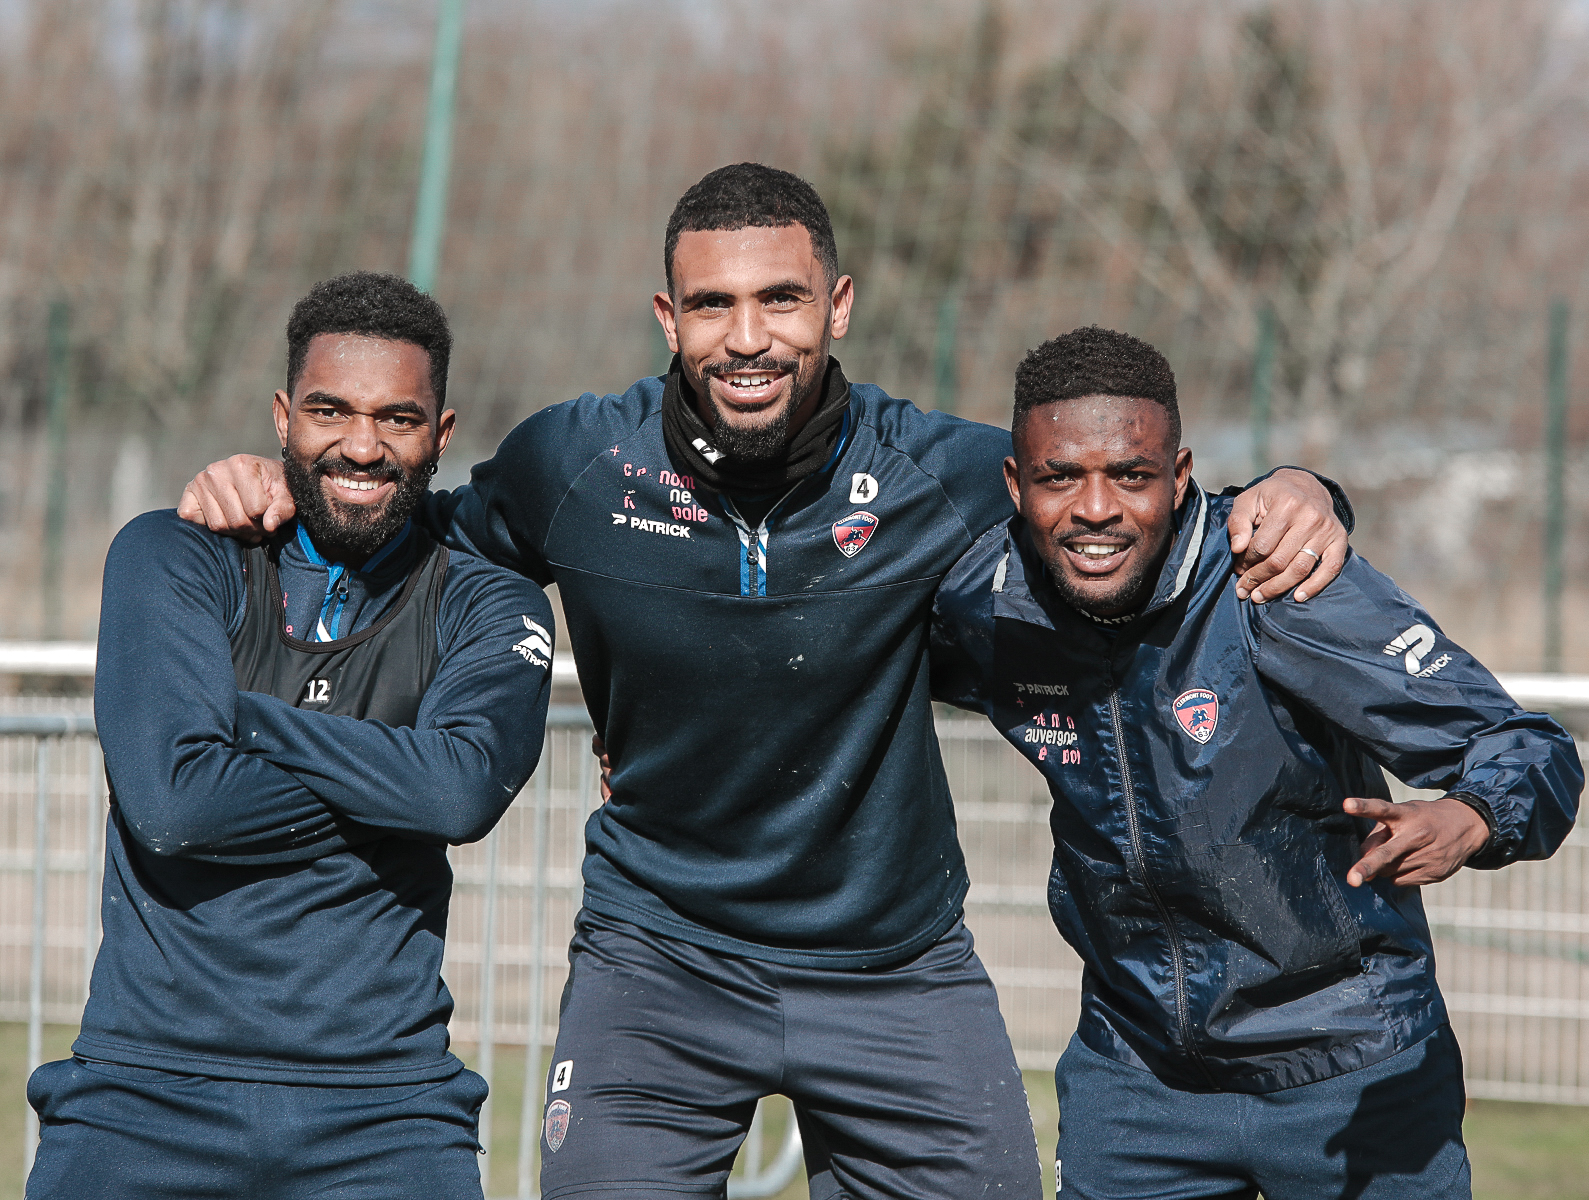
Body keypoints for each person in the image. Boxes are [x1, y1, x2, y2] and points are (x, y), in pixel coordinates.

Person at [178, 165, 1350, 1200]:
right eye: (712, 304)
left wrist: (1305, 487)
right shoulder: (575, 464)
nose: (748, 336)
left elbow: (1128, 507)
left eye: (780, 299)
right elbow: (407, 525)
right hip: (658, 956)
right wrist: (263, 487)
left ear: (836, 306)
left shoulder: (933, 469)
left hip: (895, 966)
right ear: (666, 318)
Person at [930, 325, 1583, 1199]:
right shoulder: (988, 607)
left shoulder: (1276, 586)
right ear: (1015, 484)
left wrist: (1471, 815)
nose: (1095, 509)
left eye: (1130, 474)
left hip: (1354, 1070)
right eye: (1059, 477)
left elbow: (1531, 748)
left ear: (1179, 474)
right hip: (1138, 1084)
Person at [27, 272, 555, 1200]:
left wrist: (238, 721)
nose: (361, 444)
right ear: (282, 418)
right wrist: (398, 760)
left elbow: (459, 792)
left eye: (398, 418)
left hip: (387, 1111)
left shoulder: (488, 600)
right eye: (328, 410)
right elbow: (176, 803)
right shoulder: (172, 553)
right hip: (143, 1094)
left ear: (443, 434)